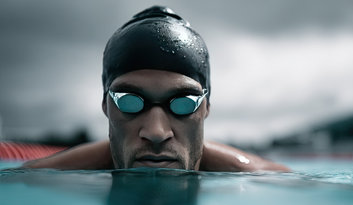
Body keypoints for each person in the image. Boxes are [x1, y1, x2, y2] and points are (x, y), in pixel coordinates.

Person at [22, 6, 290, 172]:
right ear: (106, 106)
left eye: (183, 102)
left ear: (206, 107)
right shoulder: (31, 178)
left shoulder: (266, 179)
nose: (156, 132)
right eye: (129, 101)